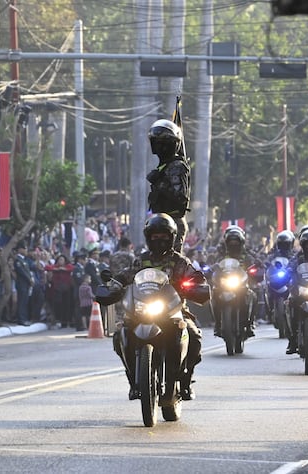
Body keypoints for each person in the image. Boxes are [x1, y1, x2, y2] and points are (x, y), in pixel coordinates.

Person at [100, 213, 209, 401]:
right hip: (142, 310)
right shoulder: (141, 261)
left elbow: (195, 278)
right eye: (155, 237)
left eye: (164, 236)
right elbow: (126, 275)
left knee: (194, 335)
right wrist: (114, 284)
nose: (159, 240)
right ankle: (133, 381)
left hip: (174, 311)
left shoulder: (180, 262)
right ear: (149, 238)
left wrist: (194, 284)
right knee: (120, 334)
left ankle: (185, 382)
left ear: (172, 237)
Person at [146, 119, 191, 252]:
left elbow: (180, 196)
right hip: (159, 222)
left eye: (162, 143)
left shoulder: (177, 166)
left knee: (173, 262)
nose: (158, 147)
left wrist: (159, 182)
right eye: (156, 143)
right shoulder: (163, 167)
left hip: (172, 222)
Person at [212, 225, 257, 338]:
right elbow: (214, 263)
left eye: (236, 242)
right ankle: (218, 323)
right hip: (224, 283)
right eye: (231, 242)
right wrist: (211, 268)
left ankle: (250, 323)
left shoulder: (246, 254)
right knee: (214, 295)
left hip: (241, 283)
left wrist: (255, 266)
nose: (233, 244)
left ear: (241, 242)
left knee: (253, 296)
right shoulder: (221, 254)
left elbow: (254, 262)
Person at [13, 243, 34, 326]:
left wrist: (31, 279)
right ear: (20, 249)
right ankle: (21, 319)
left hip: (26, 284)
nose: (26, 250)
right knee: (22, 302)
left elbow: (27, 271)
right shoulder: (18, 260)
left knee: (25, 301)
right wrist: (29, 279)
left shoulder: (24, 260)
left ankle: (24, 318)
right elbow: (22, 272)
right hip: (21, 283)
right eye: (24, 248)